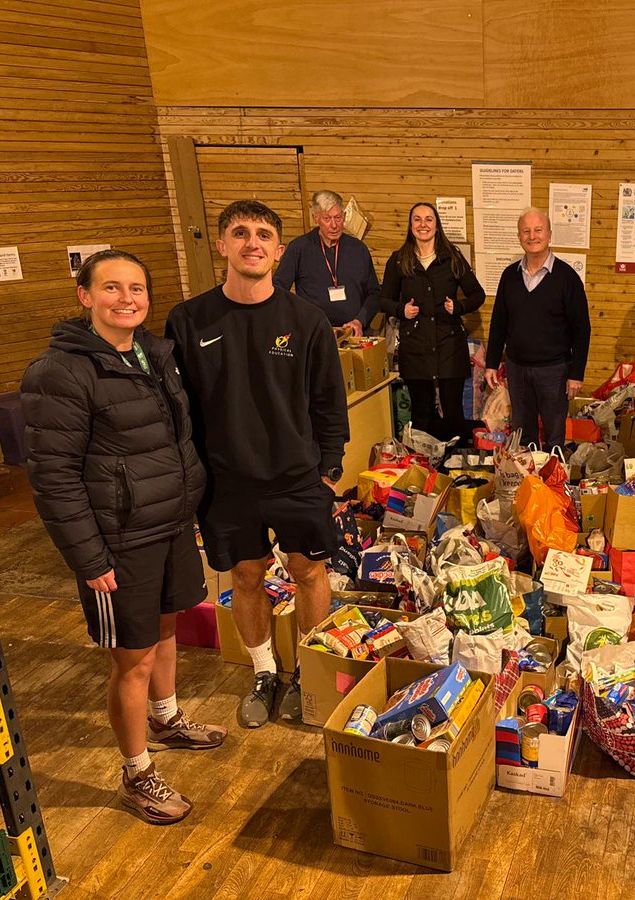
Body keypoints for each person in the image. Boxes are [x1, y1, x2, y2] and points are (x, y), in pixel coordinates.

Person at [21, 249, 222, 826]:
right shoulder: (60, 372)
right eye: (111, 287)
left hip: (169, 524)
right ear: (85, 296)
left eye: (137, 288)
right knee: (129, 659)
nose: (127, 298)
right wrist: (89, 558)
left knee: (165, 630)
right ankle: (136, 771)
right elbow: (53, 477)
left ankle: (166, 717)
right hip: (118, 541)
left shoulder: (155, 355)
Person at [166, 200, 349, 728]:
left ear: (278, 249)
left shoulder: (306, 319)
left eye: (264, 234)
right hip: (227, 484)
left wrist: (330, 472)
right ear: (221, 245)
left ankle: (306, 673)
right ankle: (266, 672)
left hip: (297, 478)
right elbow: (179, 409)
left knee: (308, 571)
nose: (253, 243)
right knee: (246, 577)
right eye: (241, 233)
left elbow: (328, 403)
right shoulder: (188, 320)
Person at [484, 208, 590, 451]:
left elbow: (582, 328)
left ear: (549, 234)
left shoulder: (567, 278)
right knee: (523, 434)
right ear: (519, 237)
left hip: (554, 371)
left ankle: (553, 484)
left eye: (538, 230)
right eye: (526, 231)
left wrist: (576, 373)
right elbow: (499, 321)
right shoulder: (509, 276)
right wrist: (492, 363)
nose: (532, 236)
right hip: (517, 368)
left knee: (554, 435)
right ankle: (527, 484)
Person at [379, 202, 485, 443]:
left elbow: (477, 295)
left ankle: (455, 467)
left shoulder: (452, 258)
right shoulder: (399, 260)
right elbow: (383, 300)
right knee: (422, 414)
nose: (423, 224)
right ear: (410, 225)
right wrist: (401, 310)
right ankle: (424, 468)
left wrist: (458, 307)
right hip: (415, 347)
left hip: (449, 344)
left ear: (437, 226)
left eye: (428, 219)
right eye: (417, 219)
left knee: (453, 414)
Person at [273, 189, 381, 336]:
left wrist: (359, 321)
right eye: (327, 219)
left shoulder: (359, 249)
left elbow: (374, 293)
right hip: (313, 333)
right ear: (315, 218)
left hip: (353, 333)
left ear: (344, 217)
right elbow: (279, 289)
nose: (334, 225)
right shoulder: (299, 248)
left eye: (338, 218)